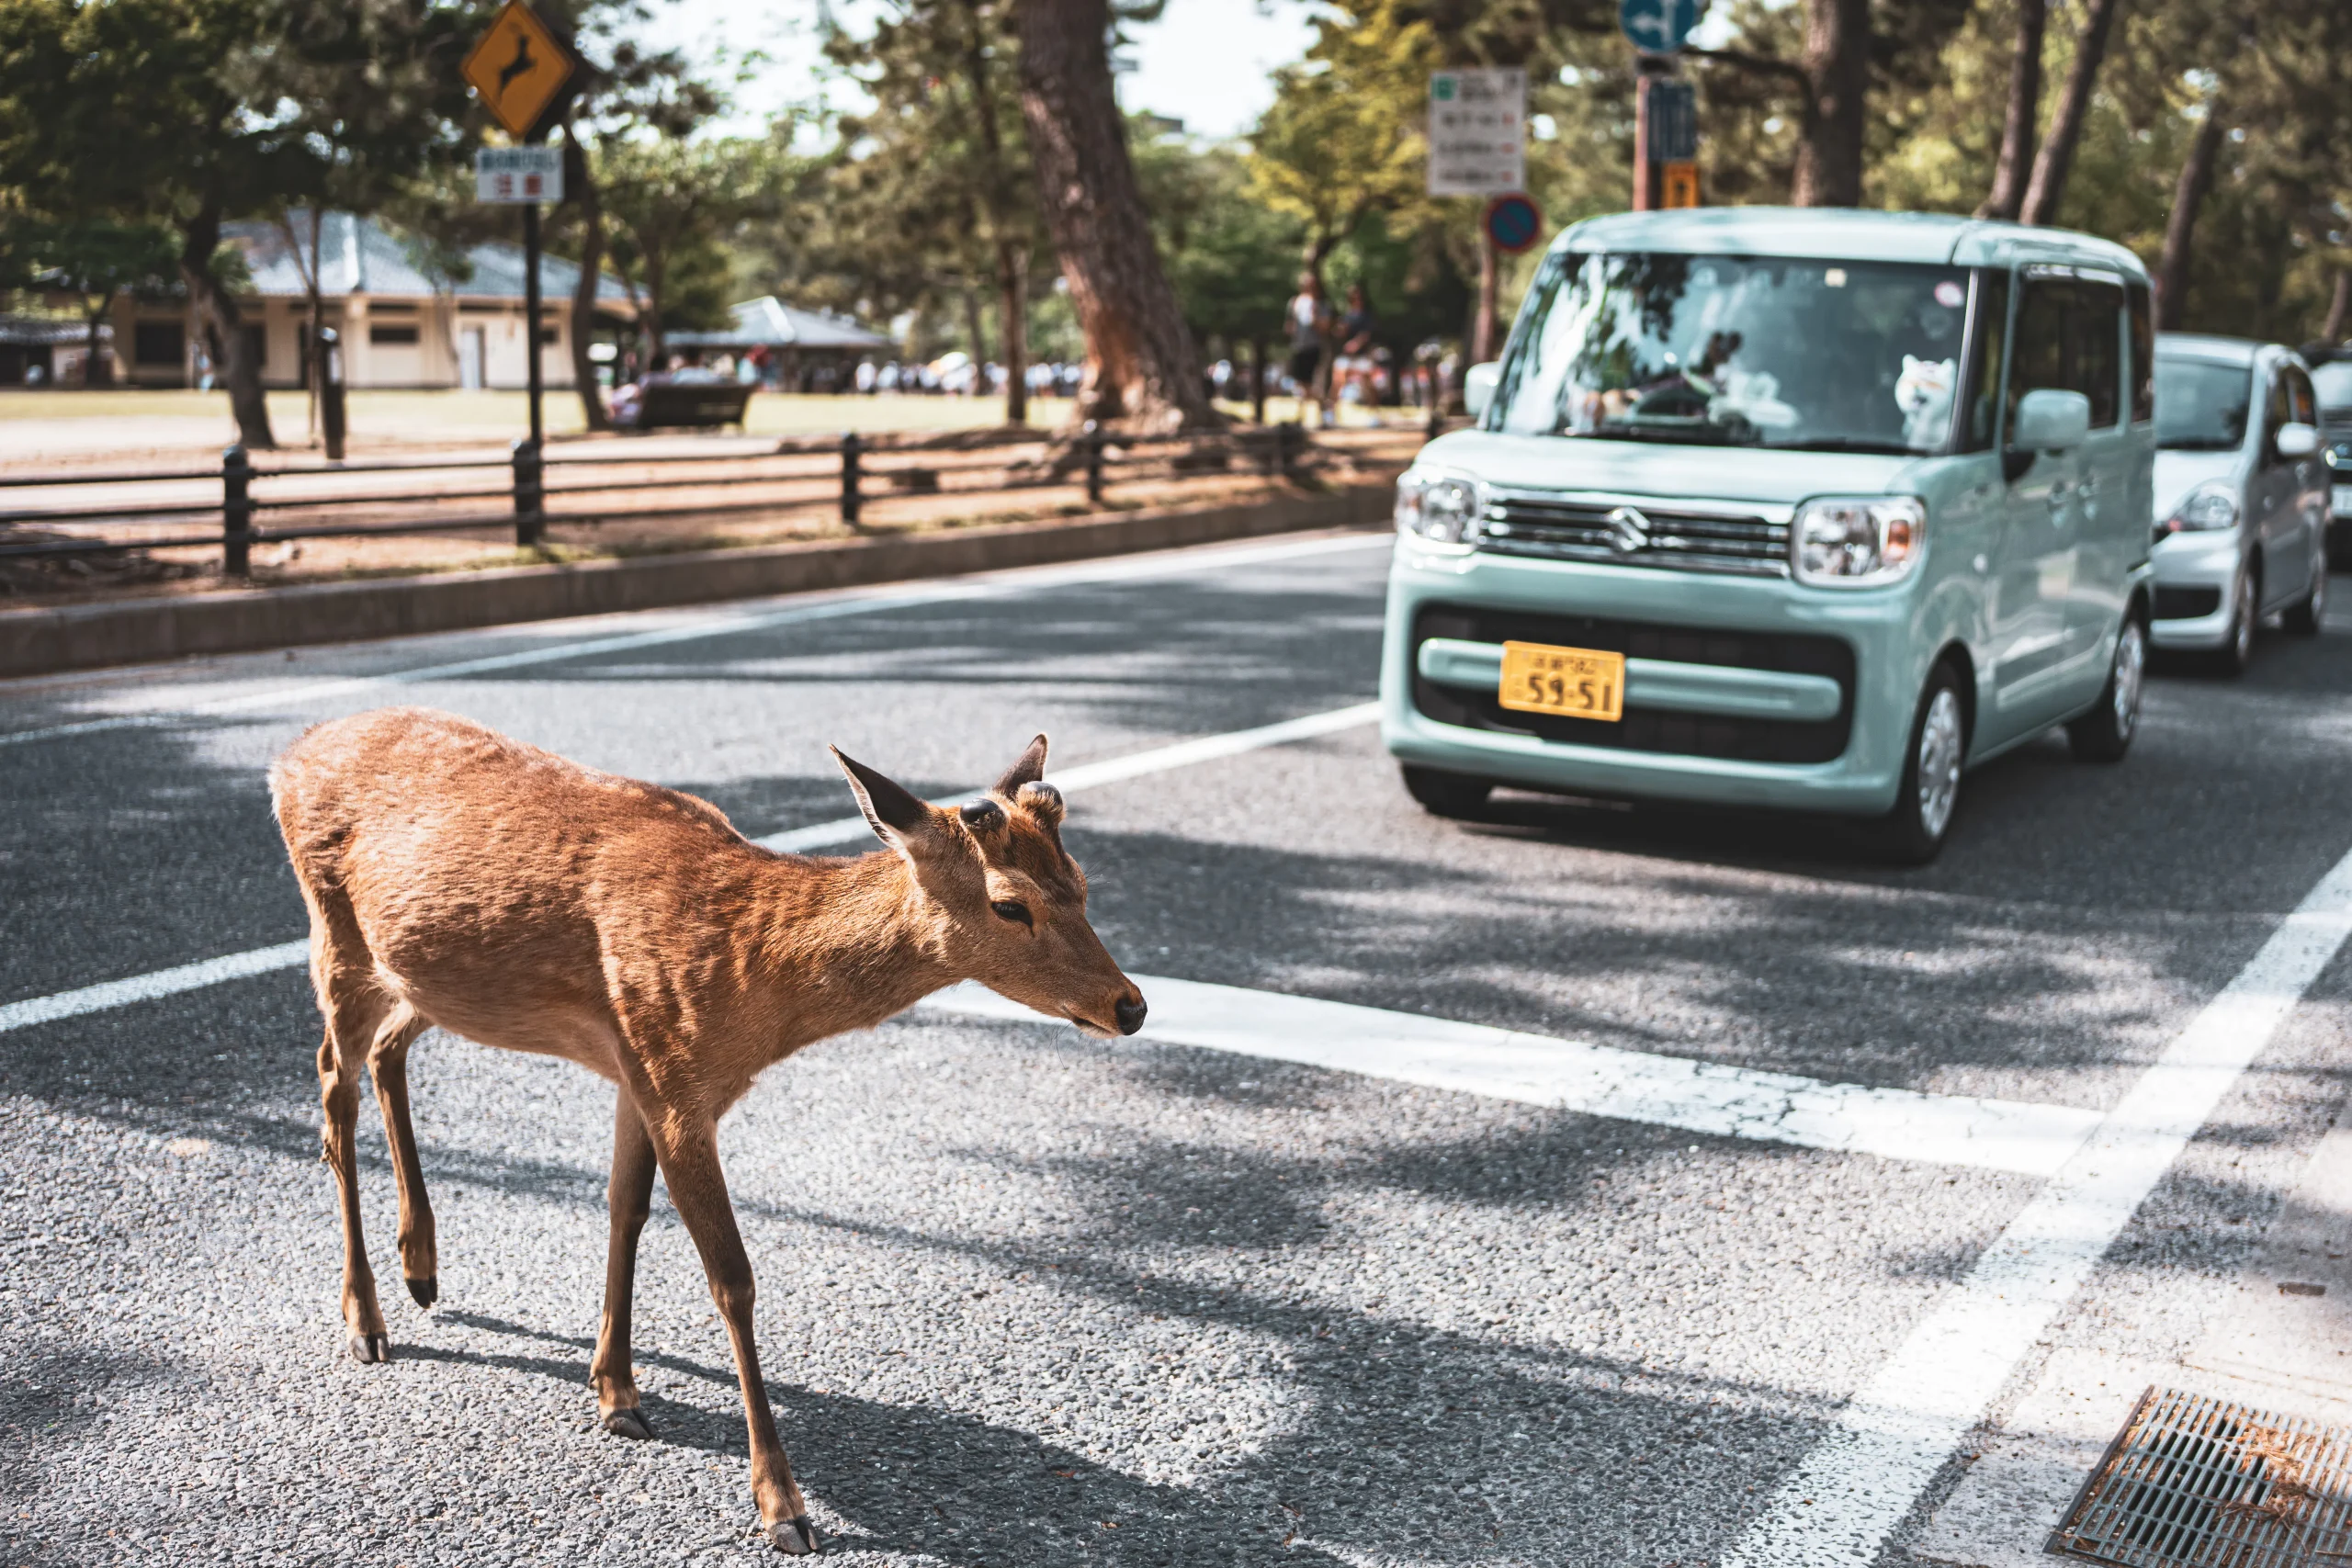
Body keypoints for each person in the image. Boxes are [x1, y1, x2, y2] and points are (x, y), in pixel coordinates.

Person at [1285, 273, 1329, 423]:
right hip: (1298, 347)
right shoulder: (1294, 303)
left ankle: (1318, 413)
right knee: (1300, 384)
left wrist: (1315, 315)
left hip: (1313, 347)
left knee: (1310, 383)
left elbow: (1325, 328)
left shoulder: (1321, 305)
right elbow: (1289, 324)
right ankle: (1320, 407)